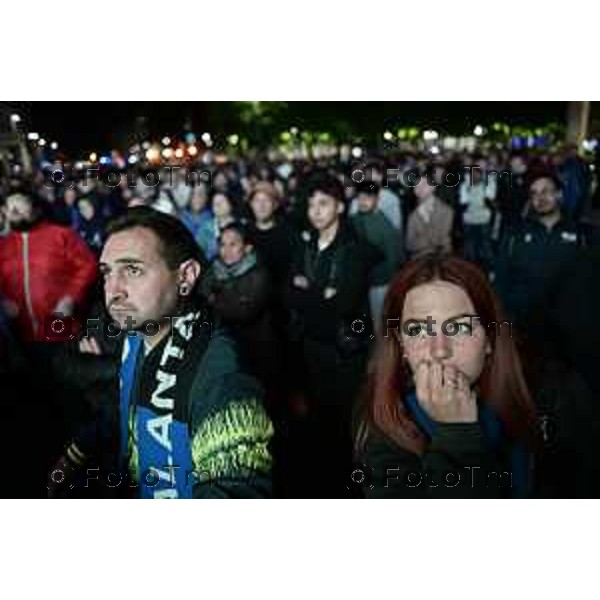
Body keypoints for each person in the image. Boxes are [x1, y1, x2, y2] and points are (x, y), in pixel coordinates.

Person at [50, 207, 274, 499]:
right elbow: (126, 411)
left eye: (133, 270)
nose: (113, 290)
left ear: (186, 276)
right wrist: (75, 454)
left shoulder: (222, 377)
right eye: (107, 272)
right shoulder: (136, 337)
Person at [354, 255, 538, 498]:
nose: (440, 350)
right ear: (402, 347)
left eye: (459, 327)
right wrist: (457, 435)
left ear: (489, 340)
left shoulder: (549, 398)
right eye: (418, 329)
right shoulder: (382, 432)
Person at [287, 171, 372, 496]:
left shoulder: (352, 249)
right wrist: (319, 295)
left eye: (324, 204)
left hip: (342, 350)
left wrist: (312, 294)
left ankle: (351, 482)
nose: (316, 211)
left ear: (339, 206)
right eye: (312, 206)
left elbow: (344, 304)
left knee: (346, 421)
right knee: (320, 416)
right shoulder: (306, 244)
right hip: (312, 346)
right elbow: (290, 292)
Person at [493, 174, 595, 337]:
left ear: (559, 195)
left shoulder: (582, 234)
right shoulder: (515, 234)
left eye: (546, 191)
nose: (540, 198)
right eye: (534, 193)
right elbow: (501, 277)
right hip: (526, 326)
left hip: (572, 326)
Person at [200, 223, 281, 413]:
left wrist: (215, 299)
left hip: (255, 353)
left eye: (233, 244)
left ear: (247, 247)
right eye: (223, 244)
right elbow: (202, 301)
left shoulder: (259, 273)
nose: (226, 250)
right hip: (223, 351)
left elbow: (244, 311)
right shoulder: (213, 269)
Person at [0, 191, 97, 342]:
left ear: (36, 207)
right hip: (19, 333)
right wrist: (3, 300)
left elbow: (88, 266)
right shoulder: (4, 245)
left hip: (60, 323)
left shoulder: (61, 235)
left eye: (19, 202)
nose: (13, 210)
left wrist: (70, 297)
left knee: (64, 361)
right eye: (8, 205)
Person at [350, 181, 404, 331]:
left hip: (380, 280)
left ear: (376, 200)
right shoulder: (355, 219)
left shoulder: (384, 225)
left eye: (367, 198)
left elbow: (394, 257)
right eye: (360, 198)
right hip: (363, 281)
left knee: (380, 322)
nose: (362, 202)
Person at [405, 174, 454, 260]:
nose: (420, 189)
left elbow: (441, 238)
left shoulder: (446, 211)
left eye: (424, 185)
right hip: (420, 257)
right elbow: (409, 244)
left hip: (443, 255)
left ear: (433, 188)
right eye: (416, 186)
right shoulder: (413, 216)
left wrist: (421, 240)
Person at [458, 164, 496, 273]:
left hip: (484, 220)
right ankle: (470, 268)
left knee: (485, 246)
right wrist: (467, 186)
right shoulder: (465, 185)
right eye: (472, 174)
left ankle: (488, 268)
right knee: (470, 246)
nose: (475, 176)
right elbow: (463, 201)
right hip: (469, 221)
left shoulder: (487, 185)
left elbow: (491, 197)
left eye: (477, 173)